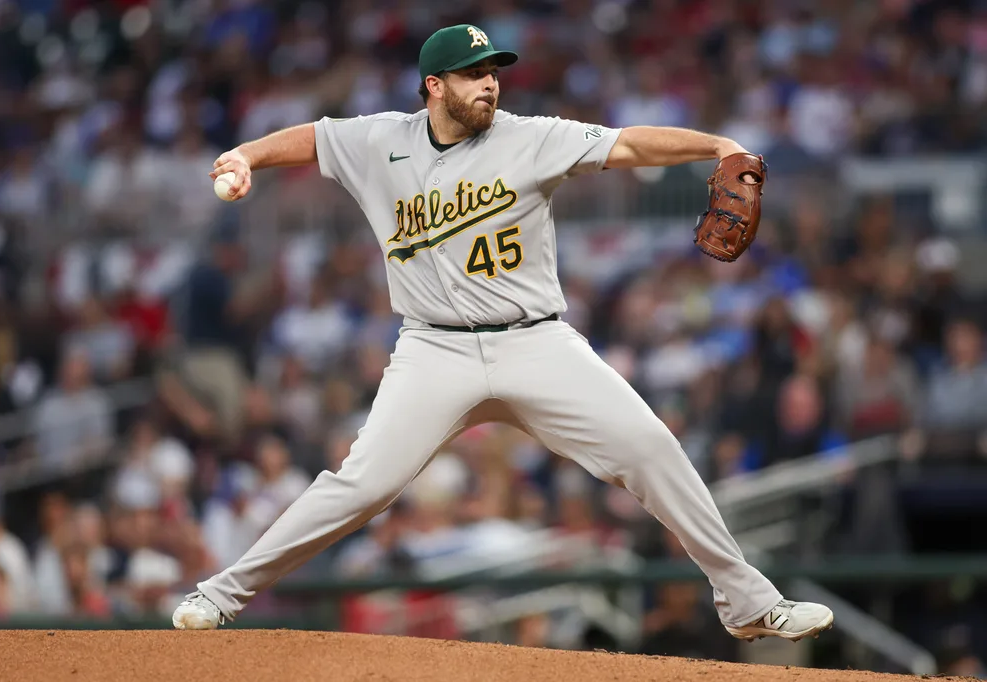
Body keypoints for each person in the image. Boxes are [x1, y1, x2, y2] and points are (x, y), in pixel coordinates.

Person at [173, 24, 833, 642]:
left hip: (535, 341)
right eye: (470, 74)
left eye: (492, 71)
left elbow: (627, 143)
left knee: (650, 448)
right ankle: (223, 593)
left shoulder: (528, 136)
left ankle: (747, 602)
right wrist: (246, 154)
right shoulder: (381, 140)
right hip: (434, 349)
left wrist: (717, 146)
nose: (489, 83)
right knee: (362, 485)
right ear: (433, 86)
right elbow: (314, 138)